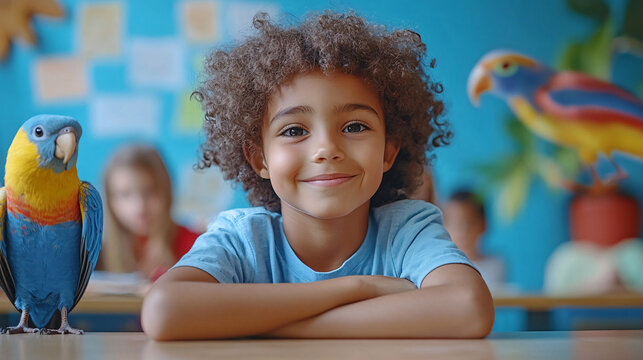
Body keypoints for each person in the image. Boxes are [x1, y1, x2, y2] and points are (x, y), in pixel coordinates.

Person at [142, 11, 493, 340]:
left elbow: (469, 307)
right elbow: (163, 311)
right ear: (258, 158)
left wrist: (264, 324)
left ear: (388, 150)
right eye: (294, 131)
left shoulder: (407, 230)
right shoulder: (241, 238)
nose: (326, 148)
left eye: (355, 126)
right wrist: (357, 289)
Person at [99, 144, 200, 281]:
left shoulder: (197, 246)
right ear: (109, 200)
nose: (140, 208)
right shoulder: (96, 253)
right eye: (125, 194)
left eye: (150, 192)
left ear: (167, 191)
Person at [442, 191, 505, 289]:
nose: (463, 231)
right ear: (444, 227)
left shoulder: (495, 265)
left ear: (483, 224)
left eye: (469, 223)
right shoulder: (441, 267)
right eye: (455, 224)